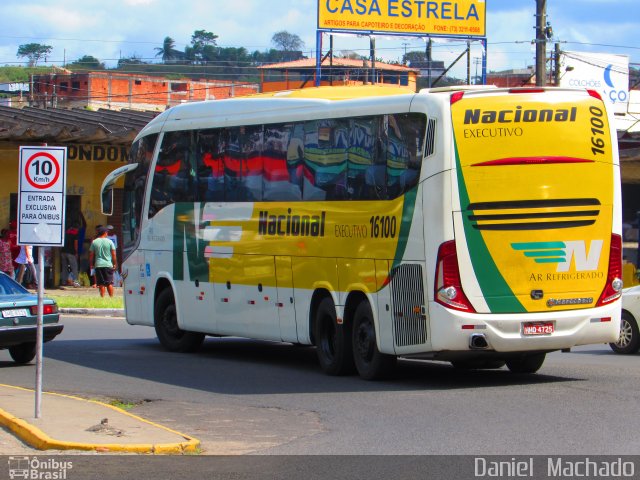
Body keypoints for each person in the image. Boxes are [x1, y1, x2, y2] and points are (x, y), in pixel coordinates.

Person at [89, 225, 117, 298]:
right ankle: (111, 298)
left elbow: (91, 255)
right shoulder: (110, 242)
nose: (107, 233)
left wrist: (91, 264)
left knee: (101, 283)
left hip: (98, 265)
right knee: (109, 283)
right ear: (104, 232)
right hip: (108, 264)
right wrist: (114, 264)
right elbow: (114, 254)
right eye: (107, 232)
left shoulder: (94, 242)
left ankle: (102, 298)